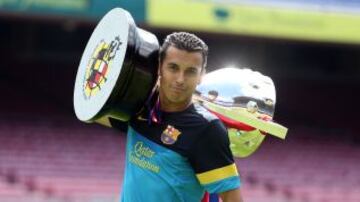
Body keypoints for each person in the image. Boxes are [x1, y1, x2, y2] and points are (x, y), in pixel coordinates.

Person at [107, 32, 243, 202]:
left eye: (191, 72)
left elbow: (232, 198)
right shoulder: (140, 105)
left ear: (201, 76)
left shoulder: (207, 130)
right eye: (173, 68)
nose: (180, 79)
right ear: (159, 67)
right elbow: (92, 112)